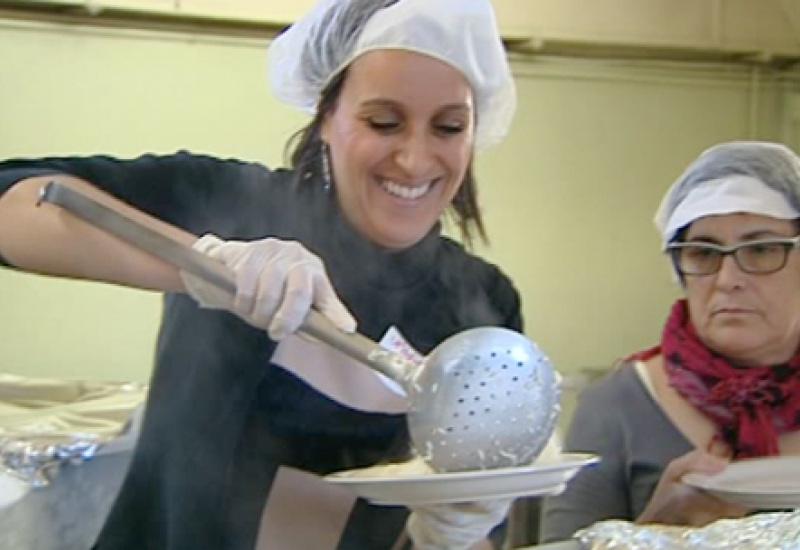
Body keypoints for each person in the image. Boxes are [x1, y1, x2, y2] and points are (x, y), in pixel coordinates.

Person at [0, 0, 523, 548]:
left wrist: (457, 529)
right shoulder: (232, 204)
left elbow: (482, 526)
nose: (415, 160)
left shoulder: (483, 306)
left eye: (449, 127)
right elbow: (15, 201)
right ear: (328, 118)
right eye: (384, 122)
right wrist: (204, 261)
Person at [540, 141, 800, 542]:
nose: (728, 278)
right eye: (703, 253)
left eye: (761, 249)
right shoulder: (617, 405)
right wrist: (656, 530)